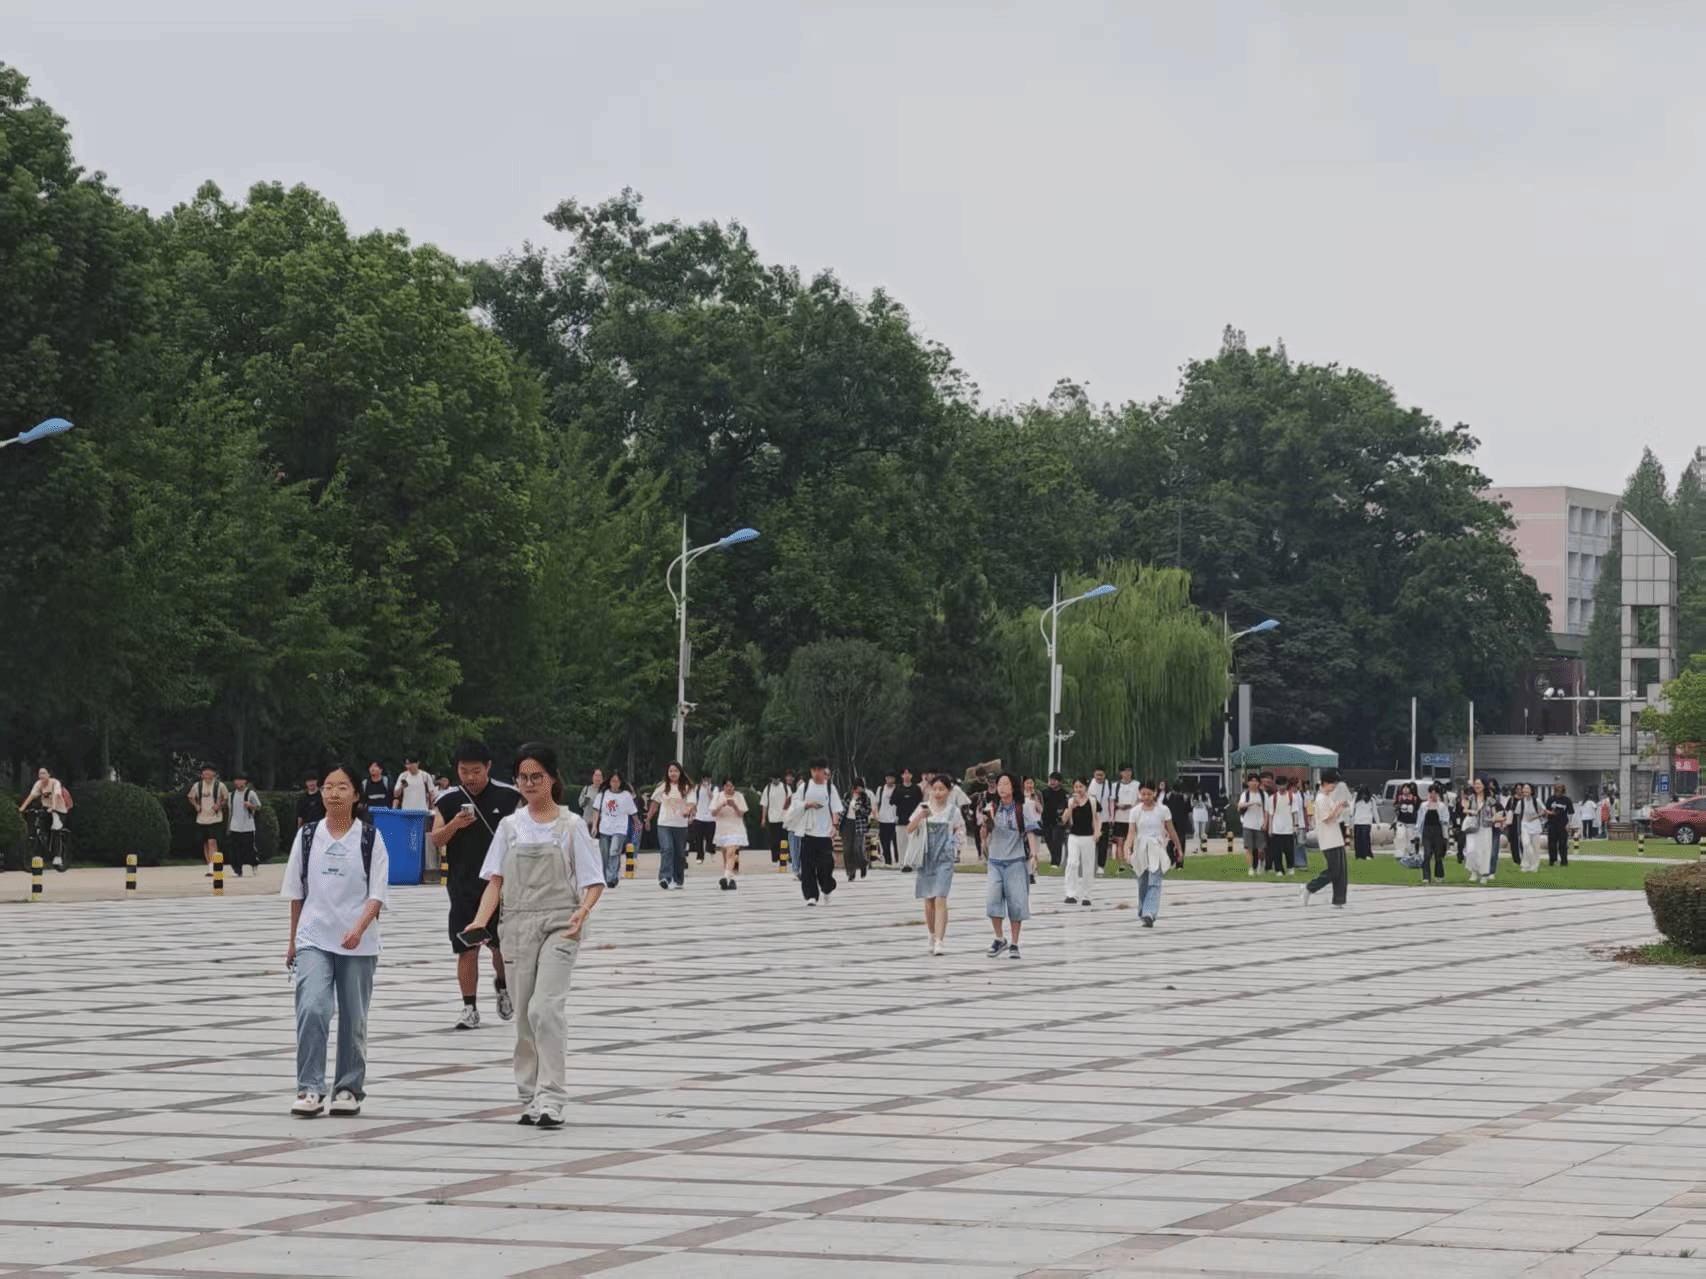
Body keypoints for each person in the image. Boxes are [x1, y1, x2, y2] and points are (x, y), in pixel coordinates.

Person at [463, 744, 603, 1129]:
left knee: (545, 1009)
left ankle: (552, 1097)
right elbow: (495, 881)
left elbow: (593, 881)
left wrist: (583, 910)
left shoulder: (571, 826)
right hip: (517, 925)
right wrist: (480, 921)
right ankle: (529, 1096)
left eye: (536, 776)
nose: (528, 784)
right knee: (524, 1014)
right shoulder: (510, 828)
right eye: (522, 778)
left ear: (552, 778)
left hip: (561, 924)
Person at [282, 763, 390, 1118]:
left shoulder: (370, 838)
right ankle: (310, 1087)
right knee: (312, 1008)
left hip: (358, 941)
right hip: (314, 936)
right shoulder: (308, 836)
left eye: (342, 787)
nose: (333, 793)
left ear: (356, 795)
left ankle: (348, 1088)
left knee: (353, 1017)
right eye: (328, 786)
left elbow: (377, 894)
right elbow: (297, 892)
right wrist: (293, 941)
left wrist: (358, 928)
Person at [430, 741, 518, 1030]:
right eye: (464, 771)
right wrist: (455, 824)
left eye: (476, 771)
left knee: (501, 948)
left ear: (488, 767)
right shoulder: (447, 800)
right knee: (466, 948)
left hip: (501, 885)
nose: (470, 777)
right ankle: (469, 1007)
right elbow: (436, 839)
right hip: (462, 886)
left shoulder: (509, 796)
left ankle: (503, 986)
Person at [981, 772, 1038, 956]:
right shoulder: (991, 807)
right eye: (999, 784)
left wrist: (1034, 855)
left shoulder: (1023, 808)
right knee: (993, 900)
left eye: (1006, 784)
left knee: (1016, 903)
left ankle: (1014, 943)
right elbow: (984, 832)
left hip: (1016, 862)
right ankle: (999, 938)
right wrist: (985, 823)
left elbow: (1030, 832)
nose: (1002, 788)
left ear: (1013, 787)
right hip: (995, 862)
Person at [907, 774, 965, 955]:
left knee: (940, 898)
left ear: (948, 791)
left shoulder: (953, 811)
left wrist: (952, 845)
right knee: (929, 901)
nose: (938, 792)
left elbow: (960, 832)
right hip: (925, 859)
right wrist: (920, 817)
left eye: (942, 789)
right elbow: (909, 828)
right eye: (935, 789)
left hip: (944, 861)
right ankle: (931, 934)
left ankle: (940, 940)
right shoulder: (923, 808)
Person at [1124, 780, 1181, 927]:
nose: (1146, 797)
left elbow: (1171, 830)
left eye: (1149, 794)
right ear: (1139, 794)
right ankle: (1143, 911)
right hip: (1141, 848)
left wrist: (1178, 847)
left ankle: (1150, 913)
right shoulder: (1135, 812)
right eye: (1143, 794)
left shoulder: (1163, 810)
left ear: (1155, 793)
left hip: (1157, 847)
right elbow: (1131, 833)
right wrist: (1127, 850)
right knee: (1143, 882)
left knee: (1154, 882)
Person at [792, 759, 842, 904]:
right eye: (813, 770)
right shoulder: (804, 787)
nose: (816, 773)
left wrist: (835, 826)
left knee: (825, 867)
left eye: (819, 770)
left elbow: (836, 809)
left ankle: (827, 888)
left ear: (824, 771)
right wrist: (806, 805)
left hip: (825, 834)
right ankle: (811, 896)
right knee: (807, 866)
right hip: (807, 832)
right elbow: (795, 805)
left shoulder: (830, 788)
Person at [1301, 770, 1350, 907]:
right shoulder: (1321, 799)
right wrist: (1338, 806)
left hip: (1336, 838)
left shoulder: (1329, 797)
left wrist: (1341, 807)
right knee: (1333, 871)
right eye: (1331, 783)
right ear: (1324, 783)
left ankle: (1339, 900)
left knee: (1342, 872)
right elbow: (1326, 818)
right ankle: (1309, 888)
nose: (1333, 786)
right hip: (1328, 840)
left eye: (1335, 783)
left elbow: (1336, 815)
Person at [648, 763, 694, 891]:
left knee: (679, 853)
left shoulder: (687, 787)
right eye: (671, 771)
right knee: (667, 849)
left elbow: (691, 804)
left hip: (680, 824)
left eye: (676, 771)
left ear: (680, 773)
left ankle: (678, 879)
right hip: (664, 823)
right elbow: (655, 803)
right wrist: (648, 819)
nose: (673, 774)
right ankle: (665, 878)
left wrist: (687, 811)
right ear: (667, 773)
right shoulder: (662, 787)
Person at [18, 766, 71, 871]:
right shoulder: (39, 784)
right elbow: (31, 796)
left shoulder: (55, 783)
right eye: (40, 774)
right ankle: (39, 851)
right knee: (39, 824)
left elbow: (56, 795)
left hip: (59, 810)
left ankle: (58, 857)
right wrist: (22, 808)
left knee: (56, 828)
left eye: (43, 773)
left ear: (48, 775)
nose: (41, 776)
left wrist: (53, 807)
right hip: (46, 808)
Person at [593, 771, 637, 888]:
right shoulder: (602, 795)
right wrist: (594, 826)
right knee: (604, 855)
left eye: (617, 781)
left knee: (614, 851)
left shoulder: (626, 795)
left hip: (620, 828)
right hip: (605, 828)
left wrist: (638, 825)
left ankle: (611, 877)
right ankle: (604, 877)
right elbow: (596, 811)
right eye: (613, 781)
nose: (615, 783)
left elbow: (633, 812)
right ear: (609, 782)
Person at [1062, 777, 1101, 906]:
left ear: (1086, 787)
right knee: (1072, 863)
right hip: (1074, 836)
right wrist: (1071, 807)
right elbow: (1064, 819)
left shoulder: (1092, 801)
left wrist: (1097, 832)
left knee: (1088, 866)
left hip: (1088, 837)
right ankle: (1071, 893)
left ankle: (1086, 895)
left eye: (1081, 787)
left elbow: (1097, 818)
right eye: (1076, 787)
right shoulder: (1070, 801)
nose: (1078, 789)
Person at [186, 764, 229, 877]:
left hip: (215, 818)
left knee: (212, 841)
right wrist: (196, 806)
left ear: (214, 773)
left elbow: (225, 798)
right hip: (201, 819)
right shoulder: (197, 786)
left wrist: (219, 805)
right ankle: (210, 865)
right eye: (205, 772)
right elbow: (190, 797)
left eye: (209, 772)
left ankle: (214, 866)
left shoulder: (220, 786)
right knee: (206, 843)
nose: (207, 774)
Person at [710, 778, 748, 889]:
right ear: (723, 787)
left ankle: (726, 875)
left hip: (736, 828)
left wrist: (734, 806)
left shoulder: (739, 796)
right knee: (726, 855)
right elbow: (713, 813)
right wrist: (722, 805)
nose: (729, 788)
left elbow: (741, 813)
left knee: (731, 852)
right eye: (727, 786)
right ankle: (730, 879)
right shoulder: (718, 796)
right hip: (722, 829)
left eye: (731, 786)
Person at [1464, 777, 1503, 883]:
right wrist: (1472, 811)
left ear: (1484, 786)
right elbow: (1465, 809)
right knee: (1471, 850)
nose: (1477, 786)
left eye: (1479, 784)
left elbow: (1495, 813)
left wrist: (1495, 819)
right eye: (1475, 784)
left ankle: (1484, 874)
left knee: (1484, 851)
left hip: (1486, 827)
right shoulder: (1471, 798)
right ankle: (1473, 871)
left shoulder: (1490, 800)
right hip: (1473, 827)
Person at [228, 772, 262, 876]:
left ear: (245, 781)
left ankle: (254, 864)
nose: (239, 782)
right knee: (235, 849)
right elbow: (230, 810)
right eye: (237, 780)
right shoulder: (231, 795)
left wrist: (251, 805)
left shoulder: (250, 793)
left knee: (249, 848)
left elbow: (259, 806)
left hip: (248, 826)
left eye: (241, 780)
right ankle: (237, 870)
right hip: (235, 826)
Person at [891, 767, 924, 873]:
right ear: (902, 776)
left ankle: (912, 863)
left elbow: (920, 803)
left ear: (911, 776)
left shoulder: (916, 789)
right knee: (901, 843)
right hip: (901, 820)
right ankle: (902, 863)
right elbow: (892, 802)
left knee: (914, 843)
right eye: (904, 774)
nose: (906, 776)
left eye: (908, 774)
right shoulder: (898, 789)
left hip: (914, 820)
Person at [1418, 784, 1451, 883]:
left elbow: (1446, 819)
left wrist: (1446, 835)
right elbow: (1419, 820)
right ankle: (1426, 876)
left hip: (1437, 831)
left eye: (1435, 793)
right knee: (1427, 854)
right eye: (1431, 793)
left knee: (1438, 854)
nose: (1432, 795)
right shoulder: (1423, 806)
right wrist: (1417, 834)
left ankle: (1439, 875)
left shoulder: (1441, 806)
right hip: (1426, 831)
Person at [842, 778, 872, 881]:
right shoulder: (847, 796)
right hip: (847, 823)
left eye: (861, 788)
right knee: (847, 849)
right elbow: (842, 809)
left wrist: (860, 809)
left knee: (857, 848)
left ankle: (863, 864)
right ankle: (851, 872)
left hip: (859, 824)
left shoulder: (865, 797)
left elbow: (868, 811)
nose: (860, 790)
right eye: (858, 787)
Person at [1510, 782, 1544, 872]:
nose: (1525, 790)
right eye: (1524, 789)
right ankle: (1525, 864)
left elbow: (1543, 811)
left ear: (1531, 790)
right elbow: (1516, 814)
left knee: (1535, 846)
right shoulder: (1520, 802)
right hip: (1524, 825)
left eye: (1527, 788)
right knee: (1526, 844)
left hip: (1535, 825)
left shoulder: (1536, 801)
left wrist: (1535, 816)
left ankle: (1534, 865)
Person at [761, 771, 793, 865]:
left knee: (785, 839)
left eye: (777, 779)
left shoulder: (786, 788)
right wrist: (763, 818)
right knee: (774, 840)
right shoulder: (768, 789)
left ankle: (785, 857)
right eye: (773, 779)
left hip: (784, 818)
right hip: (773, 818)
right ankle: (775, 857)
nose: (775, 781)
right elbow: (764, 804)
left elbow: (791, 802)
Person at [1237, 775, 1267, 876]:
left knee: (1260, 849)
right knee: (1248, 848)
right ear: (1248, 783)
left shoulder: (1263, 795)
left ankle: (1260, 864)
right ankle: (1250, 868)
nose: (1254, 783)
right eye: (1252, 781)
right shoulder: (1245, 795)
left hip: (1260, 825)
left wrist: (1265, 823)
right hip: (1247, 824)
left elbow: (1267, 810)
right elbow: (1240, 806)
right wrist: (1251, 803)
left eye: (1256, 781)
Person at [1266, 777, 1296, 875]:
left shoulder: (1292, 797)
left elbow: (1294, 812)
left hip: (1288, 828)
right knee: (1277, 851)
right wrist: (1270, 829)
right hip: (1276, 829)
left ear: (1286, 785)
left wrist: (1295, 826)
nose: (1282, 788)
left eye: (1283, 785)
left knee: (1289, 850)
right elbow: (1270, 815)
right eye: (1280, 786)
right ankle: (1278, 869)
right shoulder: (1272, 798)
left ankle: (1290, 867)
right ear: (1277, 786)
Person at [1040, 772, 1069, 868]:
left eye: (1054, 780)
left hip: (1058, 821)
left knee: (1057, 841)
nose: (1052, 782)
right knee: (1049, 841)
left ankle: (1055, 862)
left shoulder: (1064, 794)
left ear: (1060, 782)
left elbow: (1066, 806)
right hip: (1046, 821)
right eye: (1051, 780)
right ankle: (1054, 859)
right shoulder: (1044, 792)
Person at [1164, 778, 1193, 868]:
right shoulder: (1184, 797)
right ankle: (1178, 862)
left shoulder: (1169, 796)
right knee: (1178, 842)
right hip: (1179, 822)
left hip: (1173, 821)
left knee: (1172, 841)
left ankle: (1174, 860)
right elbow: (1189, 810)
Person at [689, 772, 717, 865]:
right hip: (699, 817)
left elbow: (713, 799)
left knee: (710, 839)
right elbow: (694, 802)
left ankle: (711, 851)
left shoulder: (714, 788)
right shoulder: (697, 788)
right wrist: (692, 814)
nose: (706, 781)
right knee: (698, 838)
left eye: (708, 779)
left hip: (711, 818)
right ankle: (700, 855)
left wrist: (708, 789)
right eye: (704, 779)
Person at [874, 770, 900, 867]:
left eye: (891, 778)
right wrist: (876, 815)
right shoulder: (880, 789)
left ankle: (898, 861)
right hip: (883, 819)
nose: (890, 780)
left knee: (896, 841)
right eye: (888, 778)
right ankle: (887, 861)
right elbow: (876, 803)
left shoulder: (898, 789)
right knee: (884, 841)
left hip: (894, 819)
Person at [1391, 783, 1420, 863]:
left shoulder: (1415, 798)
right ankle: (1400, 853)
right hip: (1401, 821)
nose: (1406, 790)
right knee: (1400, 836)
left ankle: (1411, 852)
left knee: (1410, 838)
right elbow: (1396, 808)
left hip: (1411, 822)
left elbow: (1418, 809)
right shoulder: (1399, 797)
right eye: (1404, 788)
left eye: (1407, 788)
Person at [1350, 787, 1376, 860]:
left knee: (1365, 839)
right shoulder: (1356, 800)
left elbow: (1374, 811)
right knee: (1358, 839)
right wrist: (1351, 822)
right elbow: (1352, 810)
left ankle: (1366, 854)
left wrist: (1378, 822)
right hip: (1357, 821)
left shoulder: (1371, 800)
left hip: (1366, 822)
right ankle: (1359, 855)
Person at [1190, 789, 1210, 855]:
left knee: (1203, 832)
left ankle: (1203, 847)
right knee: (1196, 832)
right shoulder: (1194, 797)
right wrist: (1192, 799)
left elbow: (1209, 805)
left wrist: (1208, 798)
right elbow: (1192, 805)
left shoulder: (1205, 797)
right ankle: (1195, 847)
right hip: (1196, 815)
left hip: (1203, 814)